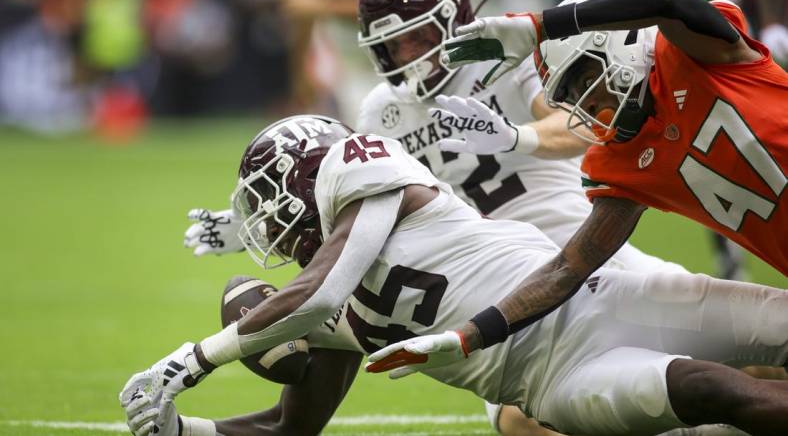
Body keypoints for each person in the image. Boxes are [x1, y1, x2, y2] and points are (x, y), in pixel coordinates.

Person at [121, 115, 788, 436]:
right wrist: (185, 430)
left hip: (601, 294)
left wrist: (193, 360)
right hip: (557, 379)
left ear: (315, 181)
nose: (268, 224)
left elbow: (317, 287)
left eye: (272, 199)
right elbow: (286, 432)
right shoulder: (327, 322)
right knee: (710, 391)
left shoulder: (374, 181)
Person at [366, 0, 787, 387]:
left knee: (748, 357)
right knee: (526, 417)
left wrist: (537, 29)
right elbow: (567, 268)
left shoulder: (695, 56)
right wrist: (469, 336)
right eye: (569, 96)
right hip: (507, 273)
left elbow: (666, 3)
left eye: (584, 78)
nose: (582, 104)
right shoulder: (621, 163)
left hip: (575, 241)